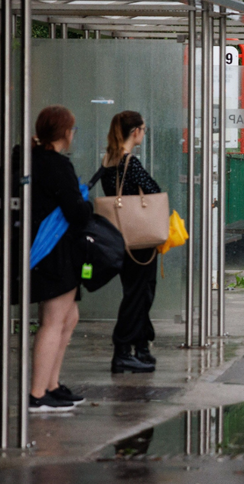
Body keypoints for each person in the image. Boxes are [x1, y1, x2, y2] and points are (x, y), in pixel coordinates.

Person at [22, 106, 93, 412]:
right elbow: (75, 211)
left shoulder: (32, 160)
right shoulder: (55, 165)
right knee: (53, 321)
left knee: (69, 317)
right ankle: (38, 393)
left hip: (49, 251)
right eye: (72, 130)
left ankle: (51, 384)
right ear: (64, 133)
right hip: (54, 253)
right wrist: (87, 204)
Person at [101, 111, 160, 374]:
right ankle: (124, 349)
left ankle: (140, 346)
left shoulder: (108, 161)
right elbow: (153, 190)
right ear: (135, 131)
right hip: (139, 241)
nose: (144, 134)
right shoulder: (129, 163)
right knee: (139, 294)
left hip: (119, 236)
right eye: (143, 129)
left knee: (136, 293)